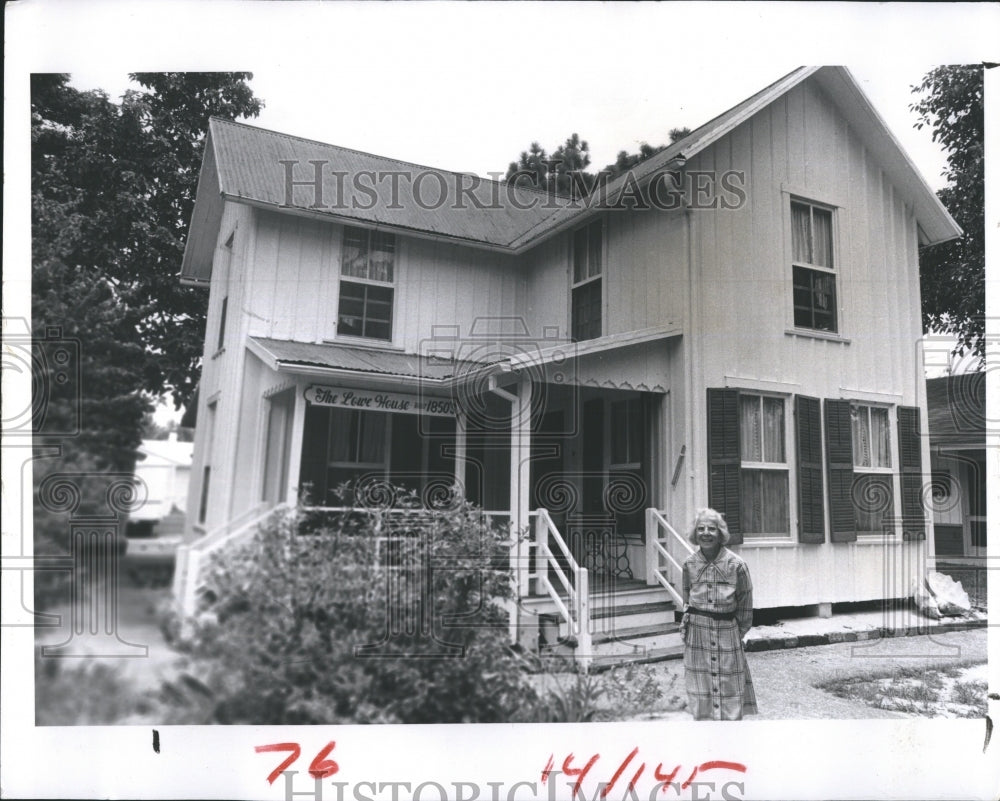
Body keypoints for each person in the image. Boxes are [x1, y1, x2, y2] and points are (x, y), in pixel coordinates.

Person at [679, 508, 757, 720]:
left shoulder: (737, 565)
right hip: (697, 634)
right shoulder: (689, 564)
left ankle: (729, 733)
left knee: (730, 686)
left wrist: (736, 633)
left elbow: (745, 605)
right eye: (701, 528)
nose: (706, 533)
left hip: (727, 631)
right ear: (695, 533)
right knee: (700, 689)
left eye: (711, 529)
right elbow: (686, 598)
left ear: (720, 533)